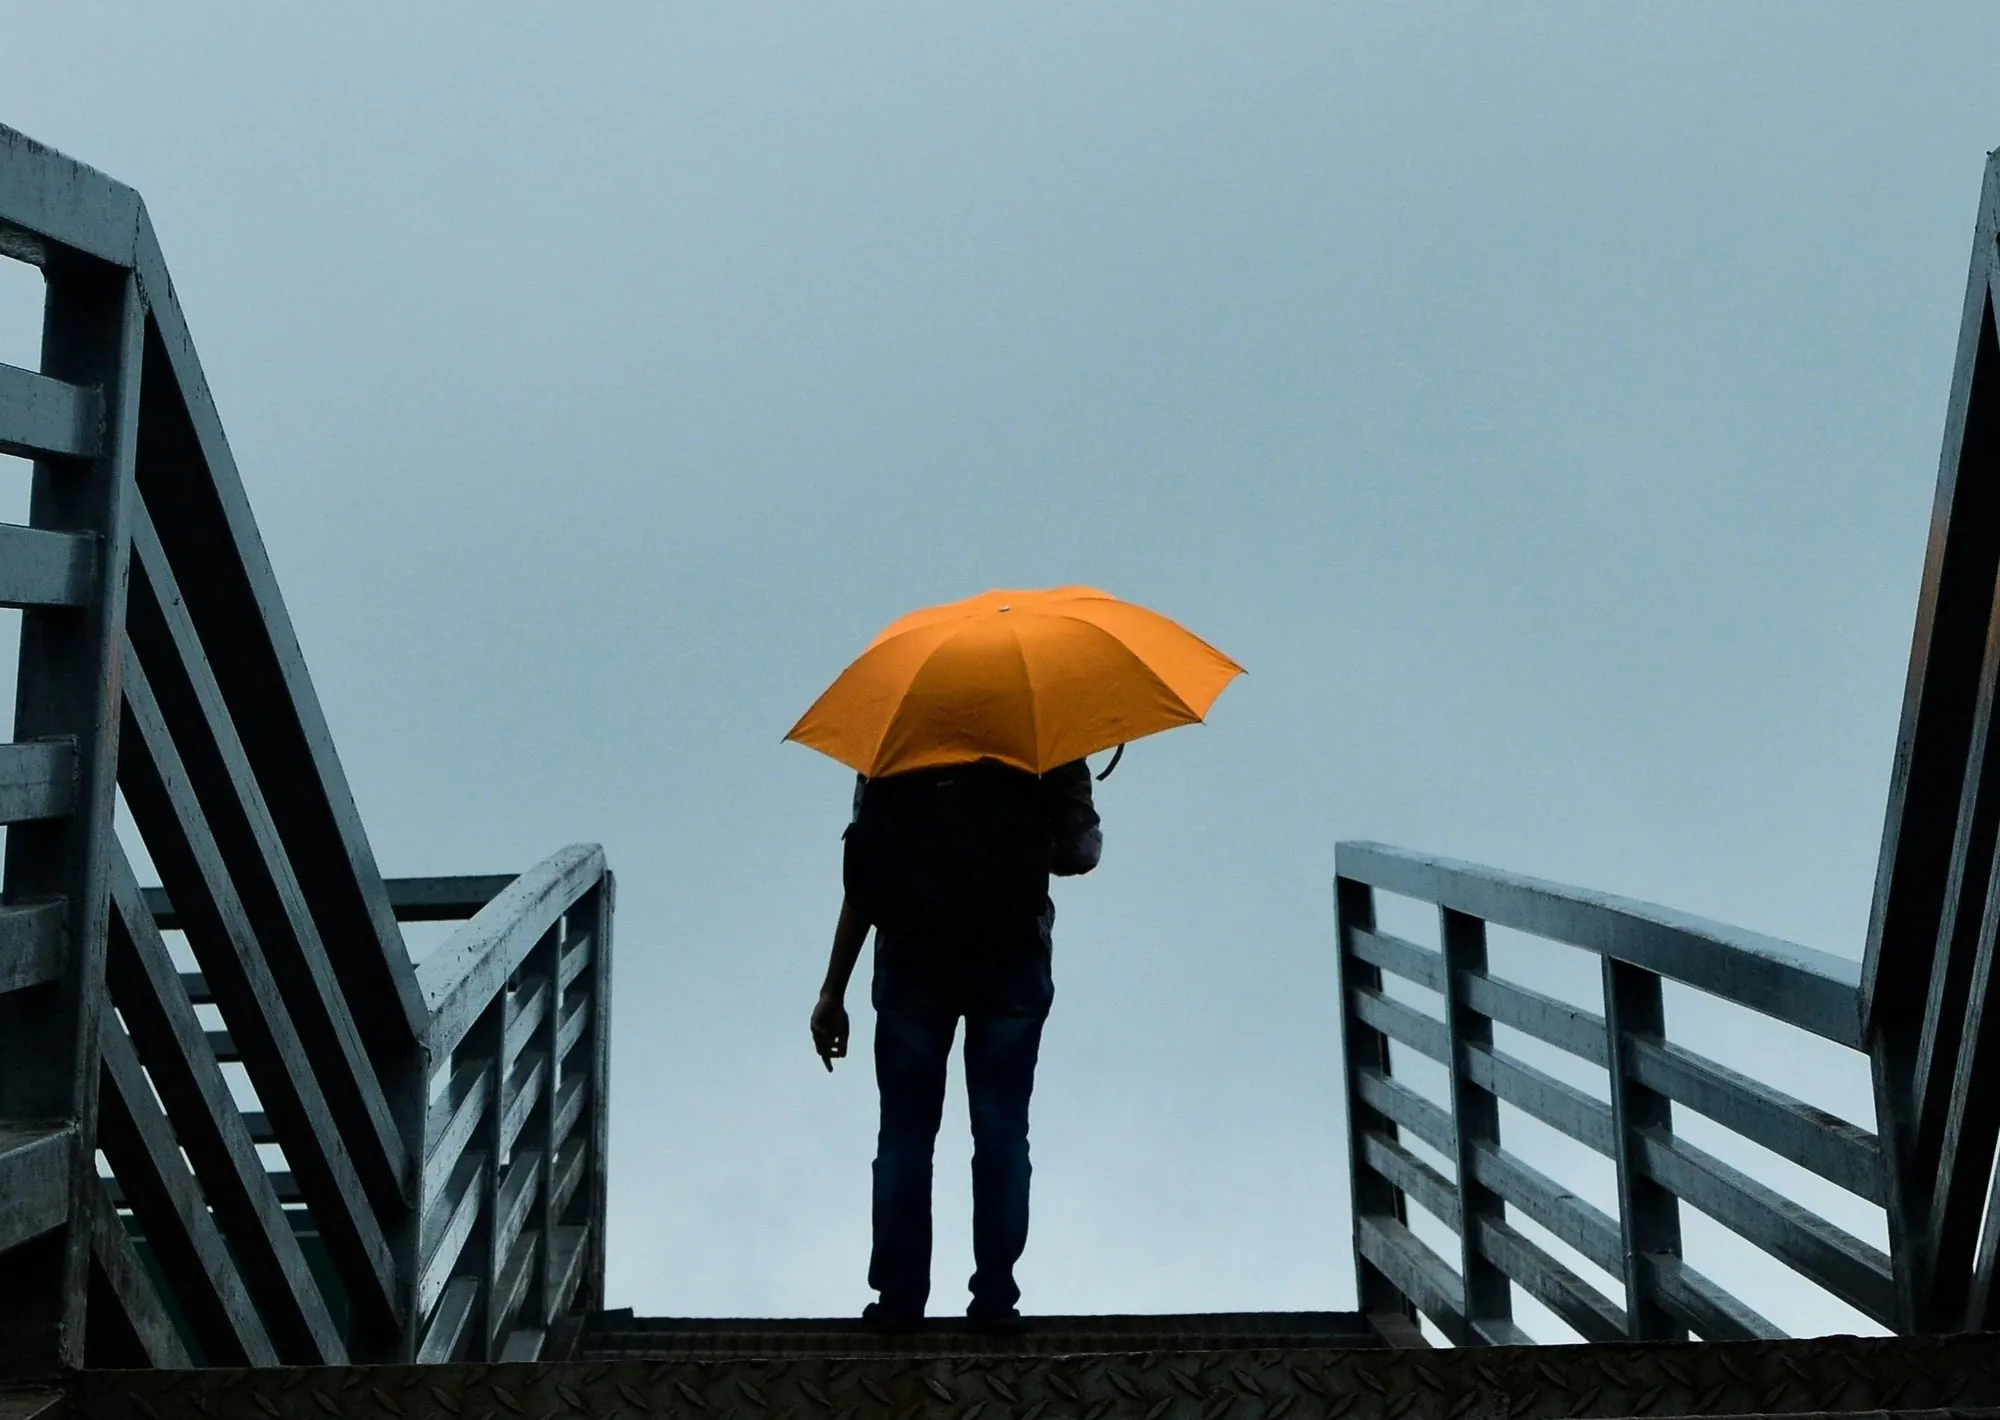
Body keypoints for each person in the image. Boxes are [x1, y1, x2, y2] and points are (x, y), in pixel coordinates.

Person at [810, 757, 1102, 1328]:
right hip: (1011, 958)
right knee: (1000, 1133)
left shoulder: (897, 737)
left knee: (905, 1135)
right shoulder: (1044, 732)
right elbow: (1080, 854)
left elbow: (865, 877)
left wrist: (832, 989)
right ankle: (995, 1298)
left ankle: (898, 1301)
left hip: (913, 961)